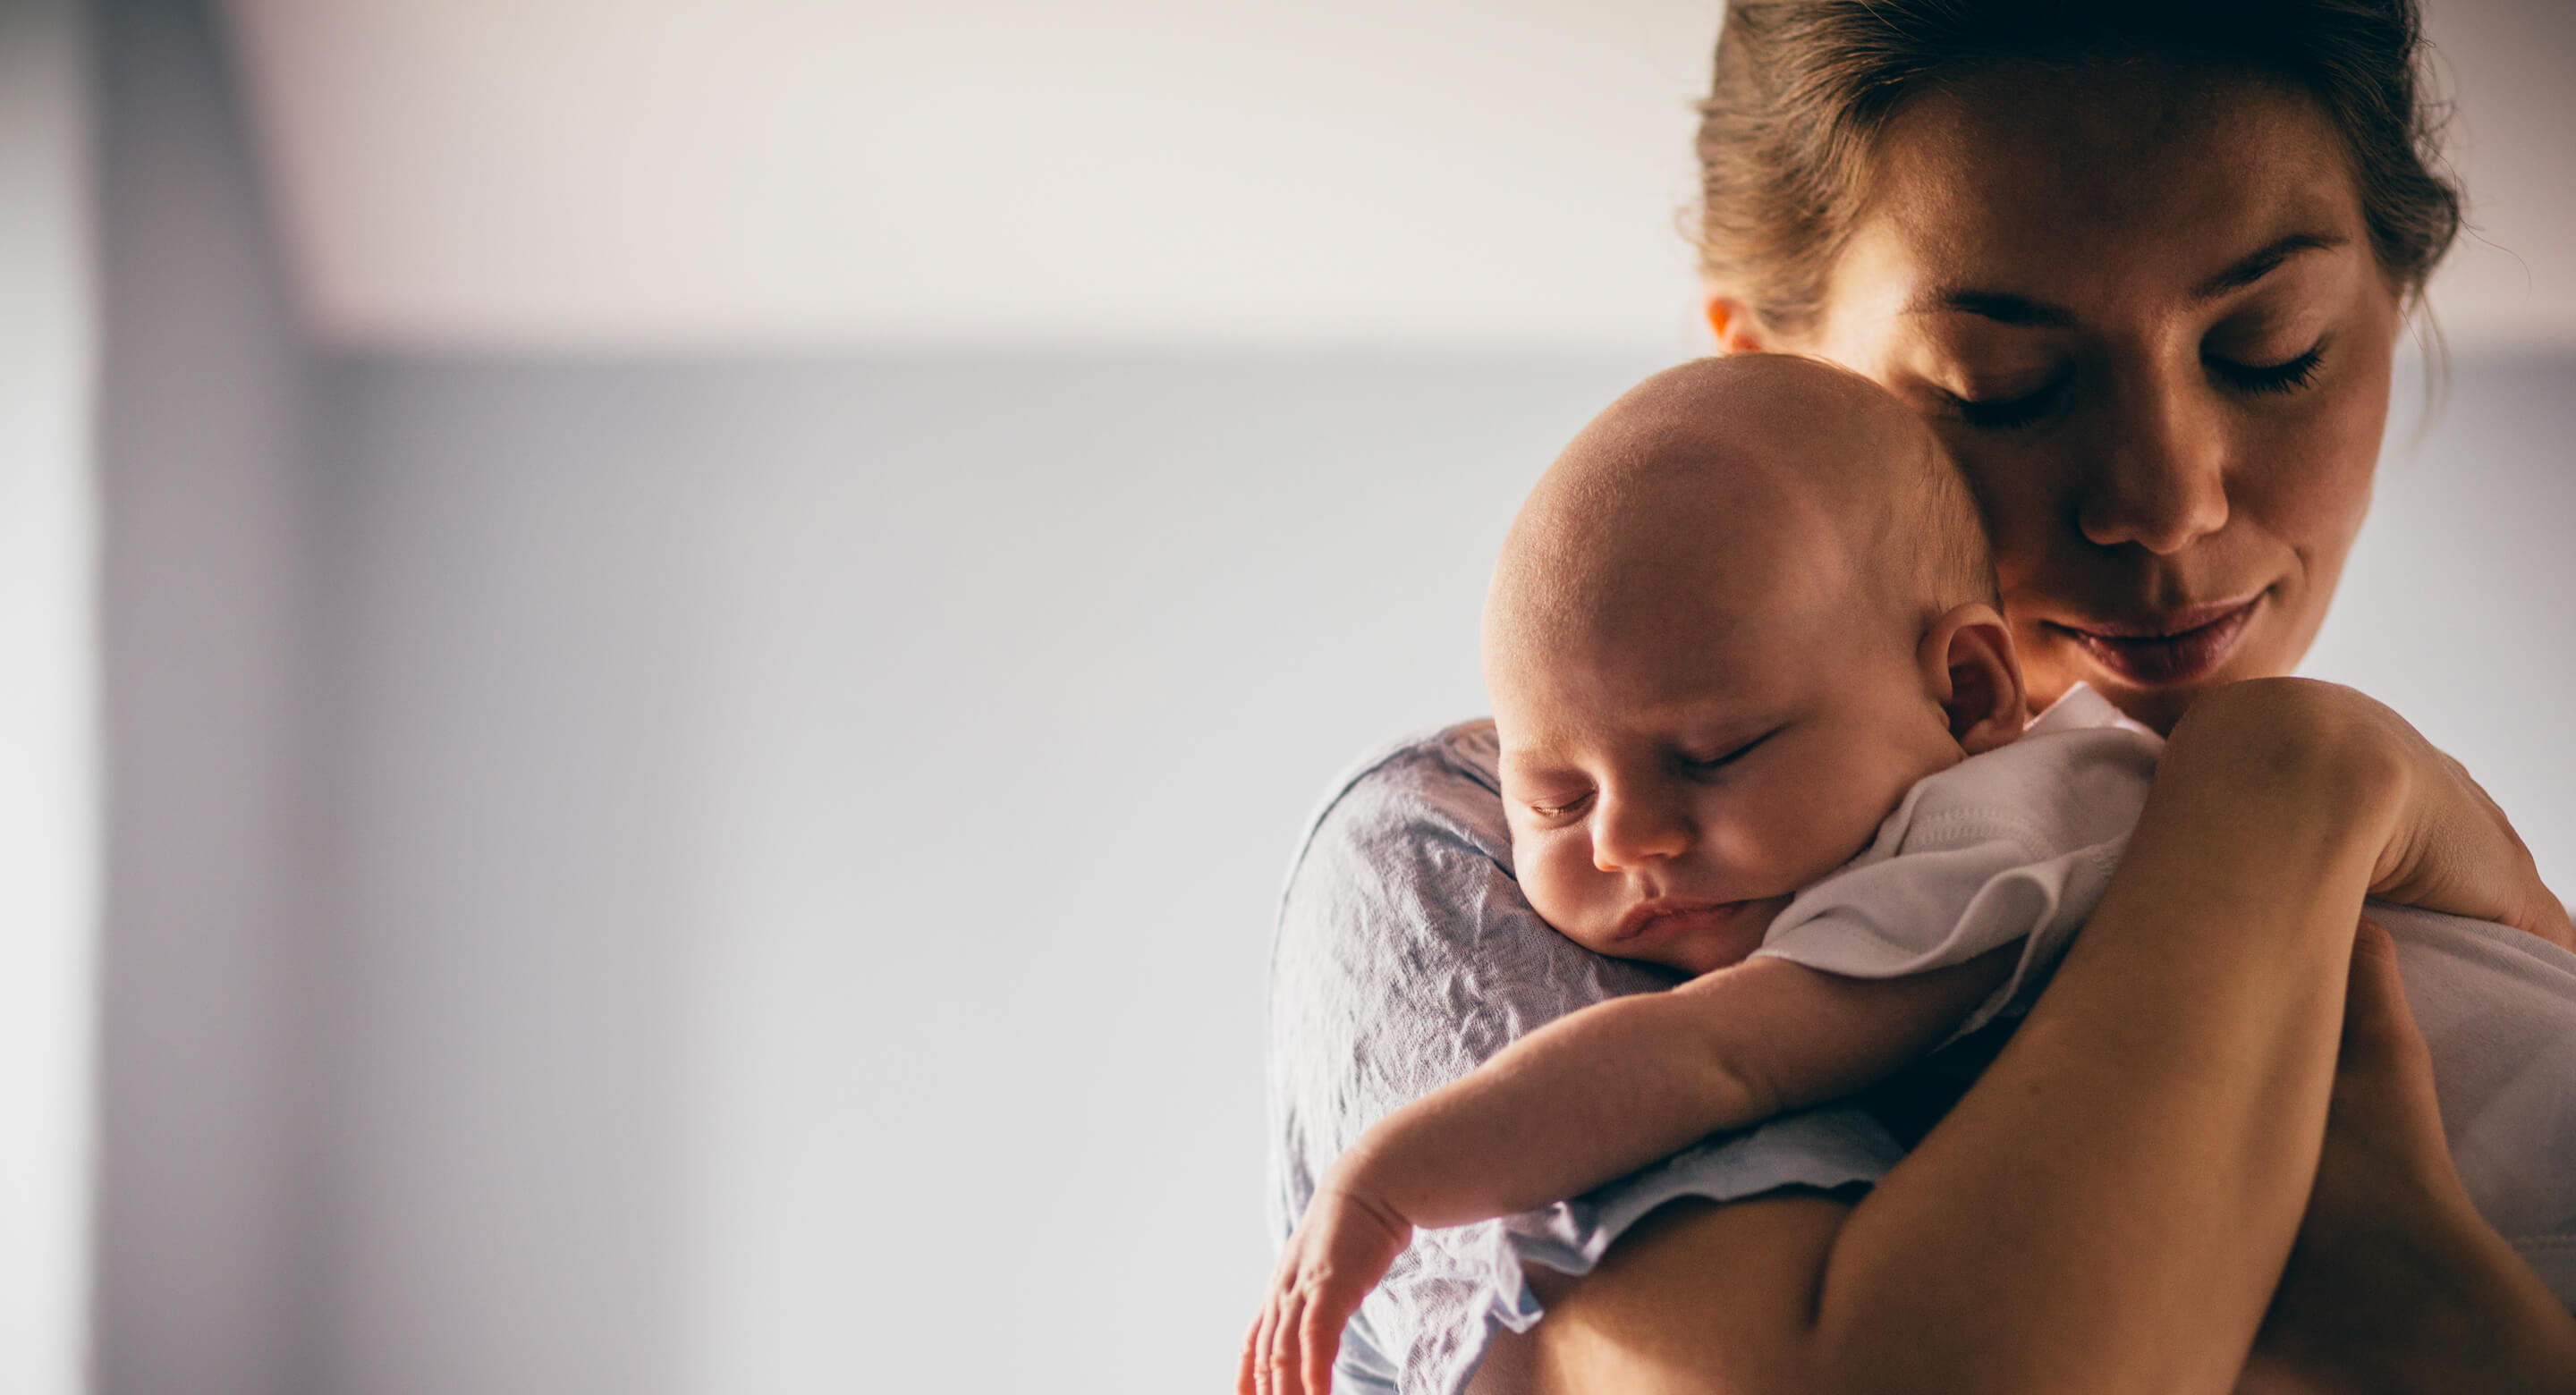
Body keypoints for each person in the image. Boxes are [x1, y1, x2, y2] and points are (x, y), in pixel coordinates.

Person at [1257, 4, 2576, 1392]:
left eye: (2273, 347)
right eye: (2003, 388)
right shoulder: (1477, 847)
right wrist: (2290, 779)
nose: (2164, 500)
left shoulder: (2336, 864)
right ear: (1761, 379)